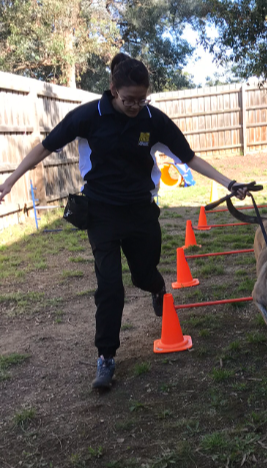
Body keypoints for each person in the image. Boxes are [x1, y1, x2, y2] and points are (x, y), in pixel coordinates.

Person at [0, 53, 248, 389]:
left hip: (141, 211)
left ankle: (158, 288)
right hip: (101, 212)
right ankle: (106, 357)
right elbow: (44, 147)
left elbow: (188, 157)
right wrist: (11, 180)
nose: (134, 105)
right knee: (110, 287)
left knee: (143, 274)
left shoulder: (153, 120)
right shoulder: (89, 116)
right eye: (128, 99)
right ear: (113, 90)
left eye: (140, 99)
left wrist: (229, 183)